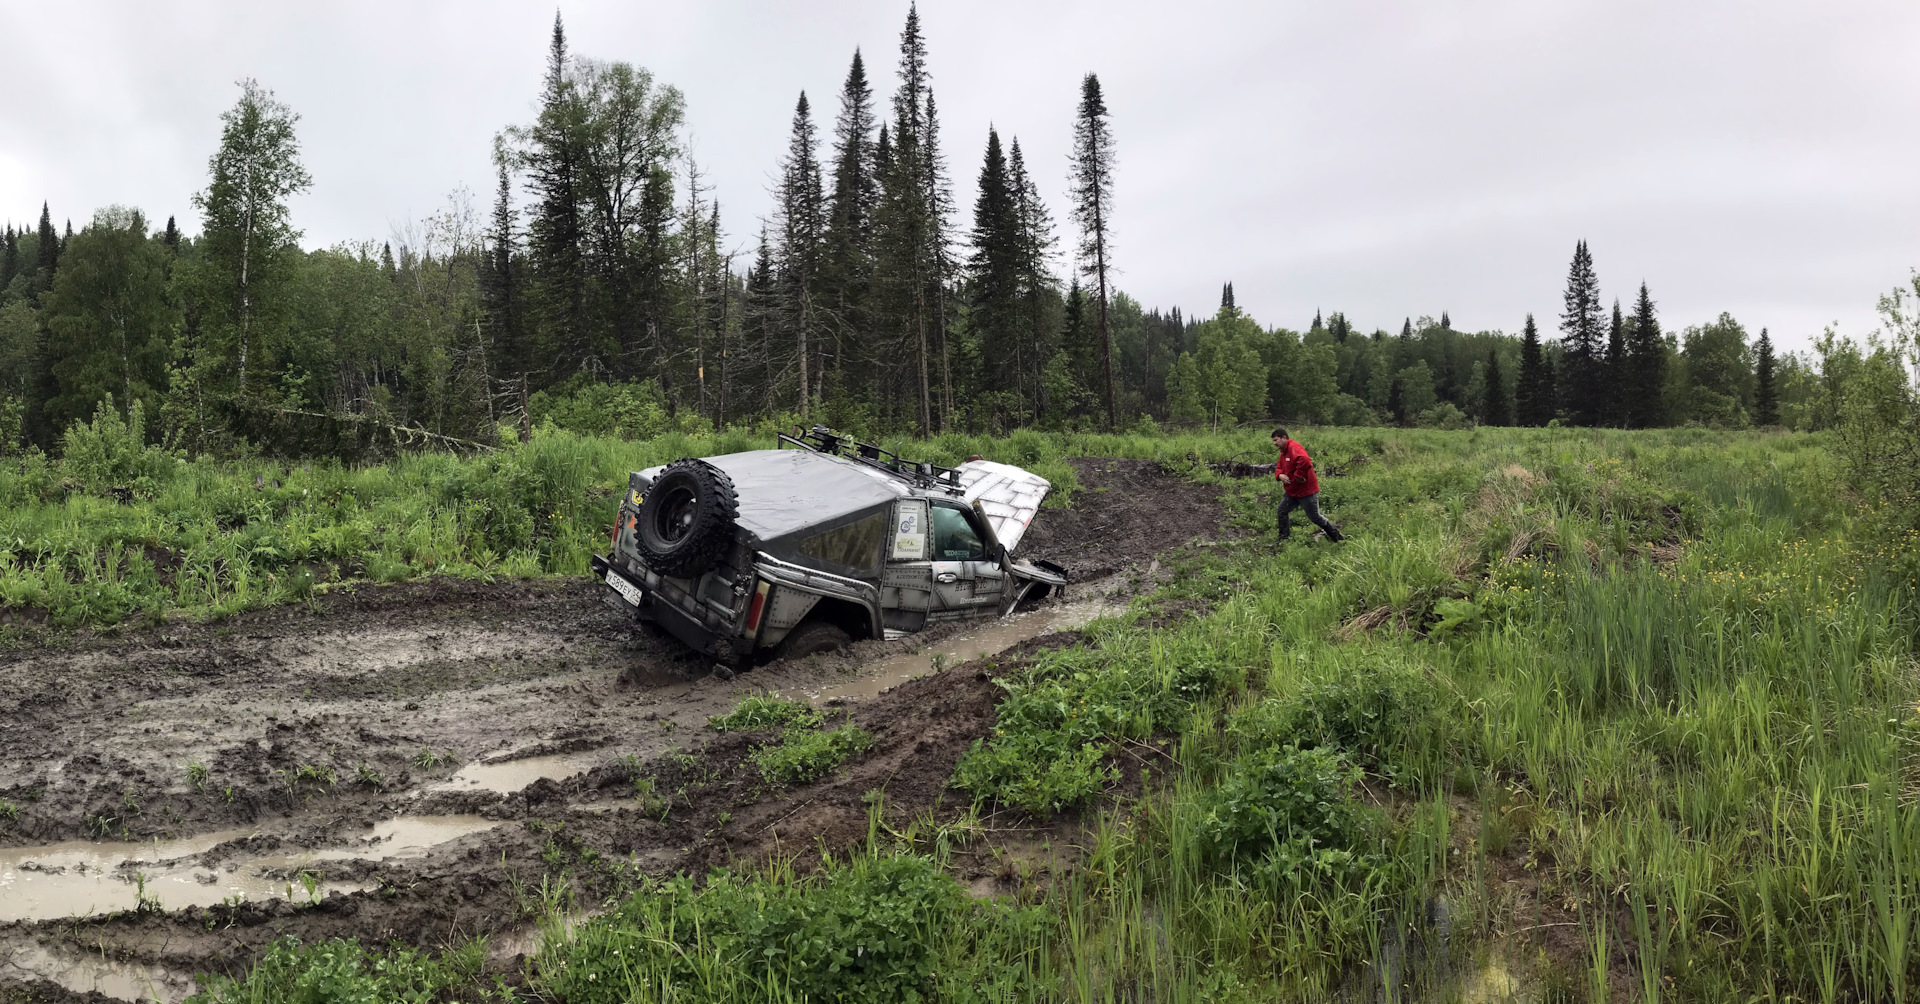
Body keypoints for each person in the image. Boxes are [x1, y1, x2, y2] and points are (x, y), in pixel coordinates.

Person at [1272, 428, 1343, 544]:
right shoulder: (1283, 452)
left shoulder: (1294, 447)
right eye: (1273, 441)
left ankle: (1338, 538)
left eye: (1276, 440)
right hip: (1292, 492)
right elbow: (1279, 465)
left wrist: (1299, 476)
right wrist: (1280, 475)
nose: (1274, 443)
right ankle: (1283, 539)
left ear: (1284, 438)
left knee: (1315, 517)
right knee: (1281, 511)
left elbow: (1305, 460)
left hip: (1307, 492)